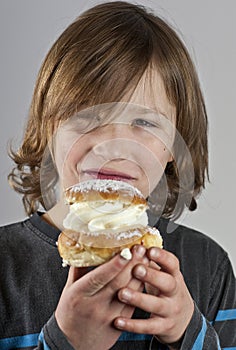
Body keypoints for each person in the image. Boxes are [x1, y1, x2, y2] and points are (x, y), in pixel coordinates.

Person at [0, 1, 235, 349]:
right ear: (50, 130)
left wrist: (188, 331)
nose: (114, 146)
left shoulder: (209, 267)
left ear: (174, 144)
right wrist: (66, 342)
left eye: (144, 122)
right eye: (87, 117)